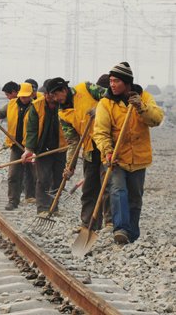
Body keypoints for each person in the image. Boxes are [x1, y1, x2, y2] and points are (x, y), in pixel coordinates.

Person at [94, 62, 163, 244]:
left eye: (116, 81)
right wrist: (108, 152)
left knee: (135, 197)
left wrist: (141, 107)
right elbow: (100, 132)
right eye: (111, 81)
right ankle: (121, 230)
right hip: (116, 157)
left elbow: (156, 120)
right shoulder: (105, 103)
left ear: (127, 82)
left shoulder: (145, 98)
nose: (112, 85)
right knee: (117, 190)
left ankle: (131, 235)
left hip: (139, 158)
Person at [48, 77, 113, 233]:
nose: (56, 100)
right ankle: (88, 225)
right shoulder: (63, 113)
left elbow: (112, 97)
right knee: (89, 189)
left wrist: (100, 108)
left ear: (64, 89)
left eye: (56, 95)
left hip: (108, 145)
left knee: (108, 186)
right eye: (53, 97)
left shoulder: (86, 88)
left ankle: (111, 223)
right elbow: (72, 142)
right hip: (90, 150)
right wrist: (69, 166)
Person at [0, 83, 34, 210]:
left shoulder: (36, 106)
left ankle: (41, 203)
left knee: (37, 175)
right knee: (13, 175)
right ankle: (13, 201)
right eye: (22, 96)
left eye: (27, 96)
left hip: (32, 147)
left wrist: (34, 149)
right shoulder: (12, 104)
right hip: (16, 146)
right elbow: (1, 112)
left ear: (31, 94)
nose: (24, 99)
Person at [22, 85, 67, 216]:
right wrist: (29, 149)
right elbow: (32, 128)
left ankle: (54, 207)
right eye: (45, 94)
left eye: (50, 94)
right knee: (43, 178)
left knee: (58, 179)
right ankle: (42, 208)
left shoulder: (64, 104)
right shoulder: (36, 106)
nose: (47, 97)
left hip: (60, 147)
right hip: (43, 148)